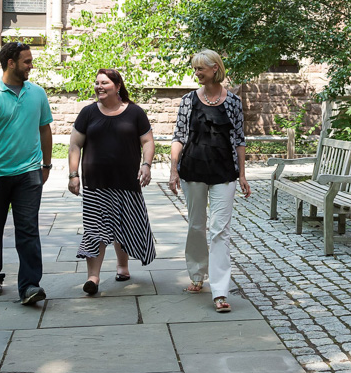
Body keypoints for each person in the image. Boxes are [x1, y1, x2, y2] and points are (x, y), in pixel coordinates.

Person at [0, 42, 53, 306]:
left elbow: (45, 130)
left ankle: (30, 286)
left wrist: (46, 165)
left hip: (28, 173)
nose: (31, 65)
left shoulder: (37, 94)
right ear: (11, 63)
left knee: (28, 229)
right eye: (27, 61)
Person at [168, 50, 250, 313]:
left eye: (200, 69)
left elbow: (239, 139)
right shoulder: (188, 100)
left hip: (224, 173)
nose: (197, 73)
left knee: (219, 230)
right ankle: (196, 273)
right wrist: (173, 169)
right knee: (196, 225)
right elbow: (179, 135)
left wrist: (243, 174)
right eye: (195, 69)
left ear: (215, 69)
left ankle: (220, 290)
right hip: (193, 169)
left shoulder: (234, 102)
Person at [68, 69, 157, 295]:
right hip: (95, 183)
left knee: (124, 225)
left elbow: (147, 141)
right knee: (94, 229)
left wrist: (146, 165)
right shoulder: (88, 113)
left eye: (104, 83)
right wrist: (73, 174)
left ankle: (122, 267)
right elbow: (75, 145)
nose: (99, 86)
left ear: (117, 86)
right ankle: (93, 278)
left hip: (127, 181)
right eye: (97, 82)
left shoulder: (135, 112)